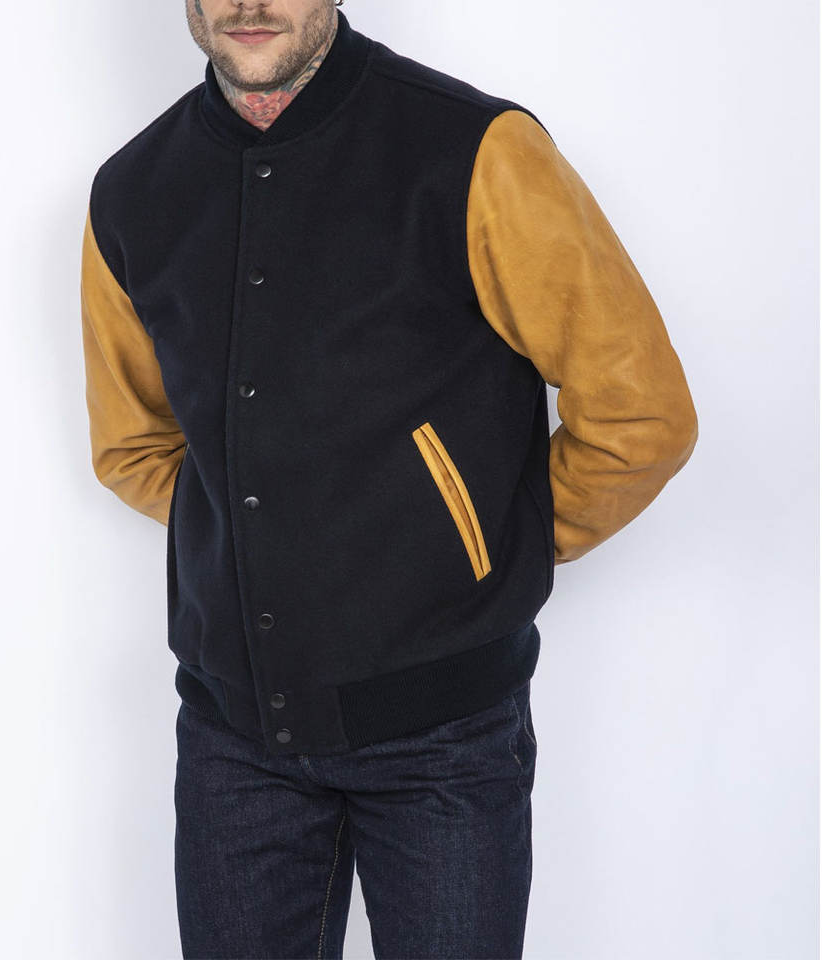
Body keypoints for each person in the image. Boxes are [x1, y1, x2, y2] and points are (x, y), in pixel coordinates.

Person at [79, 2, 699, 956]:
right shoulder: (132, 191)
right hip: (231, 742)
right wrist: (265, 542)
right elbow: (134, 444)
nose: (250, 4)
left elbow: (641, 415)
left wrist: (484, 549)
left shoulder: (476, 150)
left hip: (443, 742)